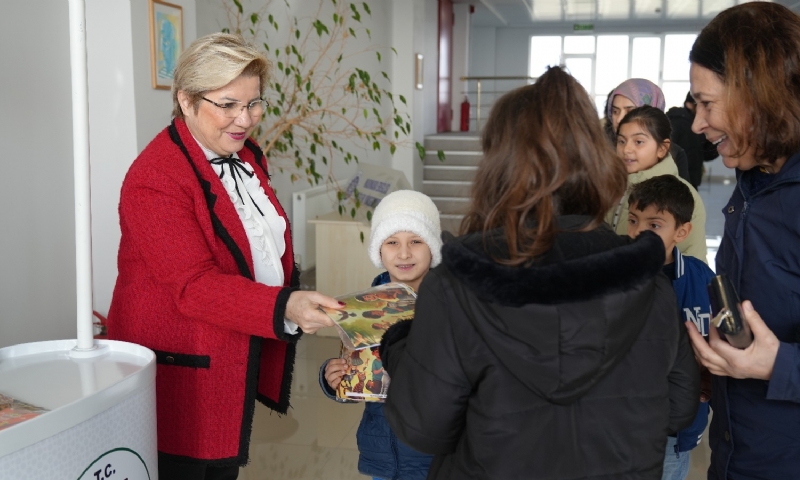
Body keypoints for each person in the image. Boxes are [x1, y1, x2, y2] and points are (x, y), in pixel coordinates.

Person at [378, 66, 699, 479]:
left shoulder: (460, 285)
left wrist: (399, 344)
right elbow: (679, 406)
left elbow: (423, 426)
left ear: (498, 167)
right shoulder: (648, 280)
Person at [107, 33, 342, 480]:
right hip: (183, 363)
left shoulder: (245, 155)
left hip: (230, 346)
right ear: (186, 100)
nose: (245, 119)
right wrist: (284, 305)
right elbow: (193, 287)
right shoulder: (154, 180)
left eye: (254, 103)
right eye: (228, 104)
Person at [686, 3, 800, 478]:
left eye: (707, 104)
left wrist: (779, 365)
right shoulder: (753, 184)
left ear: (760, 95)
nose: (696, 125)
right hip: (736, 454)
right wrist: (722, 363)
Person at [319, 190, 442, 480]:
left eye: (416, 241)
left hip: (436, 455)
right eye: (392, 242)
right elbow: (361, 375)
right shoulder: (364, 308)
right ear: (379, 250)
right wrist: (334, 378)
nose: (403, 253)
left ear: (433, 246)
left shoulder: (451, 303)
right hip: (383, 455)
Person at [626, 176, 715, 480]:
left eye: (654, 225)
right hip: (623, 425)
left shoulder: (700, 277)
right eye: (633, 220)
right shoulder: (613, 277)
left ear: (682, 231)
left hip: (676, 433)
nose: (639, 232)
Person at [609, 106, 708, 263]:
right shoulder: (612, 186)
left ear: (662, 148)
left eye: (638, 142)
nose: (626, 149)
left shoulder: (683, 195)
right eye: (621, 141)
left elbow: (692, 259)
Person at [606, 78, 692, 183]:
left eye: (630, 111)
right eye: (615, 111)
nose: (619, 119)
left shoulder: (675, 154)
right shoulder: (601, 152)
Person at [667, 92, 719, 189]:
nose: (705, 110)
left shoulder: (695, 123)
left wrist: (717, 139)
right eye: (702, 105)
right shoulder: (677, 123)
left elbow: (705, 154)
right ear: (689, 104)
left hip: (688, 180)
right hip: (676, 182)